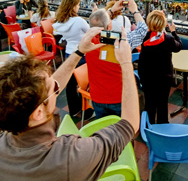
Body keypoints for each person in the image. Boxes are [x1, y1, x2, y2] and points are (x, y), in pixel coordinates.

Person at [0, 27, 140, 181]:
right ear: (38, 113)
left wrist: (79, 52)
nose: (56, 86)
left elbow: (49, 90)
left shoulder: (7, 132)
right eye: (52, 88)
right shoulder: (70, 157)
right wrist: (126, 63)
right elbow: (130, 124)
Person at [87, 0, 148, 118]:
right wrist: (135, 11)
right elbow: (142, 30)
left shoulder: (86, 41)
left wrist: (111, 10)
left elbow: (96, 22)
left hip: (97, 96)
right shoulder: (123, 43)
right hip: (120, 96)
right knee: (122, 131)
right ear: (109, 26)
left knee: (104, 131)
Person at [138, 10, 183, 124]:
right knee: (162, 104)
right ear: (163, 24)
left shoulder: (145, 38)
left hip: (148, 78)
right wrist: (173, 32)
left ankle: (149, 127)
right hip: (164, 79)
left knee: (150, 104)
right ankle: (162, 126)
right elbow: (179, 47)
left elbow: (142, 61)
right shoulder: (168, 40)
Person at [53, 0, 89, 116]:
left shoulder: (60, 21)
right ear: (73, 7)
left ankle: (74, 109)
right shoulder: (79, 21)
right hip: (83, 54)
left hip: (70, 53)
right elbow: (89, 33)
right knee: (85, 83)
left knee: (71, 83)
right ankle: (87, 109)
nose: (79, 7)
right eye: (78, 5)